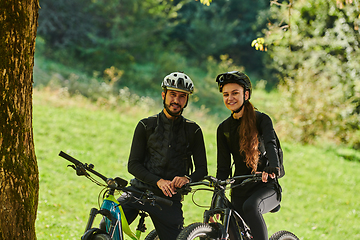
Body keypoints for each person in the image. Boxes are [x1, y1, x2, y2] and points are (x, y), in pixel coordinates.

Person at [121, 72, 208, 240]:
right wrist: (158, 181)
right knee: (105, 227)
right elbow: (133, 165)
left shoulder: (193, 130)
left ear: (187, 100)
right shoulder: (145, 125)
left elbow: (202, 169)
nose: (176, 100)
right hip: (138, 191)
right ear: (164, 95)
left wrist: (187, 179)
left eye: (182, 96)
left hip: (168, 200)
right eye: (172, 94)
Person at [215, 71, 282, 240]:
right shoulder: (223, 129)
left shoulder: (262, 120)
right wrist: (217, 196)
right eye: (226, 94)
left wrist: (273, 166)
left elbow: (271, 144)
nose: (230, 98)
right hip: (239, 189)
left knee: (251, 207)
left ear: (246, 94)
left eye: (235, 93)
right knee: (228, 222)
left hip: (265, 186)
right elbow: (223, 167)